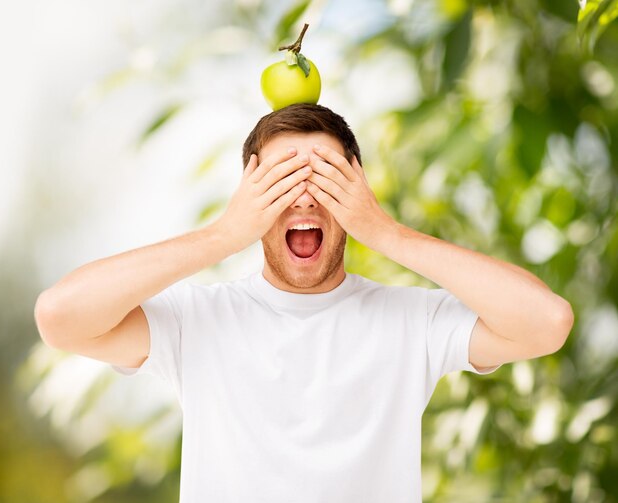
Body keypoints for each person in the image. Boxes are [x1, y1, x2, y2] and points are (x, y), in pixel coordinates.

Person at [34, 103, 574, 503]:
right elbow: (61, 318)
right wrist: (224, 234)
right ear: (249, 193)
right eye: (281, 179)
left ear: (359, 187)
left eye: (326, 176)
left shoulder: (414, 322)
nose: (306, 195)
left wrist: (384, 231)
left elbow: (546, 323)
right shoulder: (195, 323)